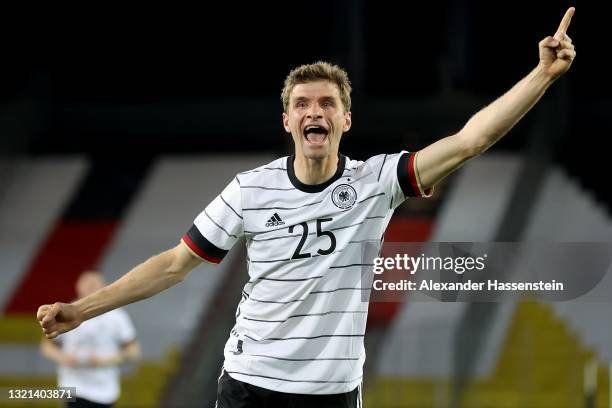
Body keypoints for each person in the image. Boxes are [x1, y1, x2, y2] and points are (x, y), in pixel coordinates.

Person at [37, 8, 575, 407]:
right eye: (301, 104)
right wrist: (81, 310)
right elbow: (175, 264)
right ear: (288, 122)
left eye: (326, 103)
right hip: (251, 386)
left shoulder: (378, 180)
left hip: (335, 393)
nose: (313, 111)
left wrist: (542, 76)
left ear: (344, 120)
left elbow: (467, 141)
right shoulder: (249, 189)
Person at [40, 271, 141, 408]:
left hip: (103, 391)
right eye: (87, 283)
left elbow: (134, 351)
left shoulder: (117, 317)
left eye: (94, 283)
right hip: (73, 386)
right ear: (78, 286)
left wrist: (106, 360)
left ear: (104, 287)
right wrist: (63, 358)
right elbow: (47, 346)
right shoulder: (65, 314)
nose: (90, 287)